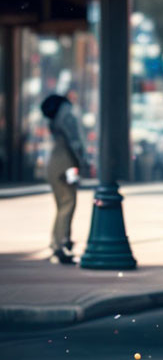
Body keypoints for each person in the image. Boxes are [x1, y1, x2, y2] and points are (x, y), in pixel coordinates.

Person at [41, 94, 87, 264]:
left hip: (55, 164)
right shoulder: (67, 117)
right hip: (68, 165)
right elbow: (75, 142)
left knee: (62, 204)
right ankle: (61, 244)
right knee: (69, 202)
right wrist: (84, 162)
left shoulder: (54, 121)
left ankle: (58, 242)